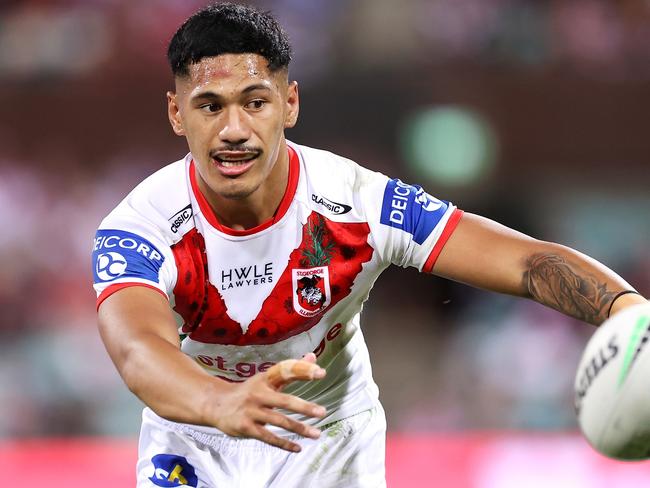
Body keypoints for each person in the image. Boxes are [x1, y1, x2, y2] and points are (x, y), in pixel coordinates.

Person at [92, 3, 647, 487]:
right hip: (195, 438)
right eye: (210, 106)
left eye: (255, 102)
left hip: (328, 436)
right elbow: (138, 350)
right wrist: (220, 402)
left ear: (289, 104)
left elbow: (526, 262)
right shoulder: (142, 227)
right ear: (176, 113)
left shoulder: (358, 203)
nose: (234, 129)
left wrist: (631, 313)